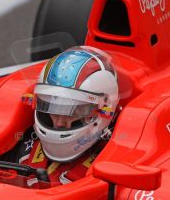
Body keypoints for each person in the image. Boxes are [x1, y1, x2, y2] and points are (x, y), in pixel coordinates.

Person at [11, 46, 120, 186]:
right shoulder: (24, 151)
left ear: (105, 108)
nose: (59, 123)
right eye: (51, 108)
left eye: (72, 112)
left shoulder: (114, 163)